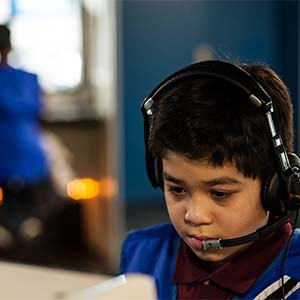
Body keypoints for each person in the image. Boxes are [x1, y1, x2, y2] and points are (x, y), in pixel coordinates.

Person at [120, 60, 300, 299]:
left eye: (219, 193)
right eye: (176, 189)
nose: (194, 216)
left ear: (276, 189)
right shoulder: (142, 254)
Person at [0, 24, 58, 248]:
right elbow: (41, 112)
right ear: (9, 46)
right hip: (32, 156)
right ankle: (27, 227)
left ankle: (11, 229)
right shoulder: (29, 79)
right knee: (29, 203)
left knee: (13, 203)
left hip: (6, 159)